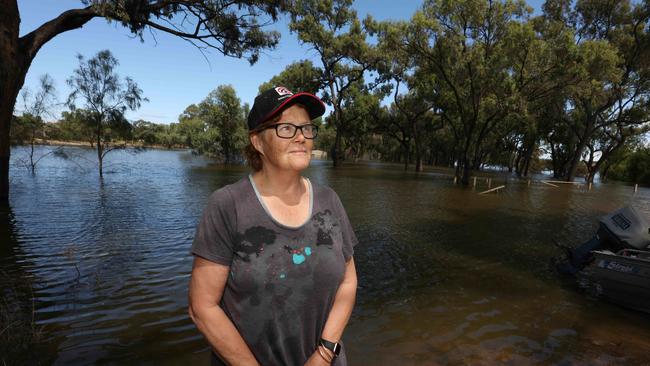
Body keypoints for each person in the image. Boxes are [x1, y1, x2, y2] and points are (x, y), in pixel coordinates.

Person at [188, 86, 359, 366]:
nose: (302, 137)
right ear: (257, 141)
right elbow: (202, 307)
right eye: (286, 128)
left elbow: (349, 281)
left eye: (306, 127)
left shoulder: (330, 200)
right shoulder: (228, 205)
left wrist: (325, 352)